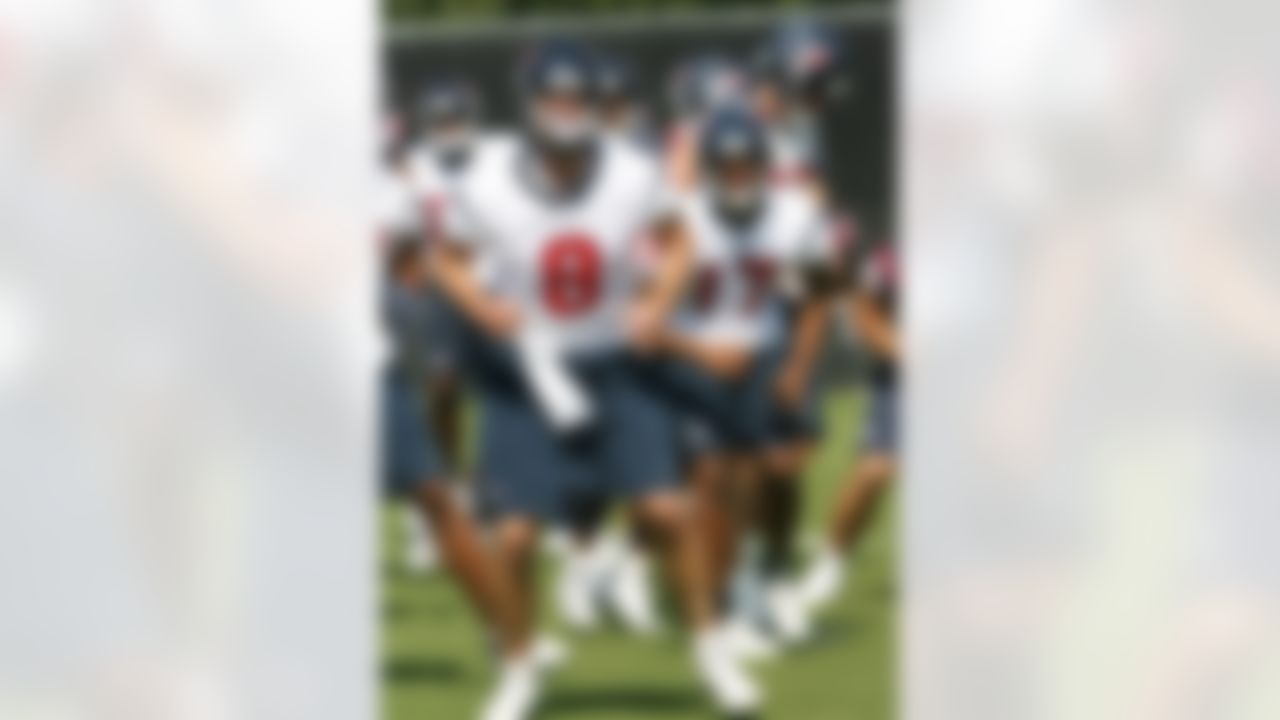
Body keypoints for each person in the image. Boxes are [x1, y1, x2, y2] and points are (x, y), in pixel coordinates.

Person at [430, 39, 761, 717]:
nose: (568, 113)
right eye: (556, 99)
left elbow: (683, 242)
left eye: (579, 100)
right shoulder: (489, 181)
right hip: (532, 370)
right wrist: (481, 305)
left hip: (616, 362)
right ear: (532, 109)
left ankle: (710, 645)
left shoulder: (633, 173)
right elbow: (447, 260)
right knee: (514, 536)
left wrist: (658, 303)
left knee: (665, 512)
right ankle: (520, 665)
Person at [655, 106, 840, 649]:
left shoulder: (793, 215)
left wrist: (798, 367)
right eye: (726, 166)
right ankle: (722, 608)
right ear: (708, 168)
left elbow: (821, 293)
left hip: (762, 351)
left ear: (765, 165)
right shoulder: (678, 219)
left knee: (769, 475)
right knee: (709, 481)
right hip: (692, 357)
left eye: (747, 165)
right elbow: (643, 308)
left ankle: (757, 584)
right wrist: (697, 351)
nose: (738, 176)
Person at [801, 238, 899, 613]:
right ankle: (830, 563)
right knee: (875, 470)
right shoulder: (890, 262)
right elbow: (867, 318)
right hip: (905, 376)